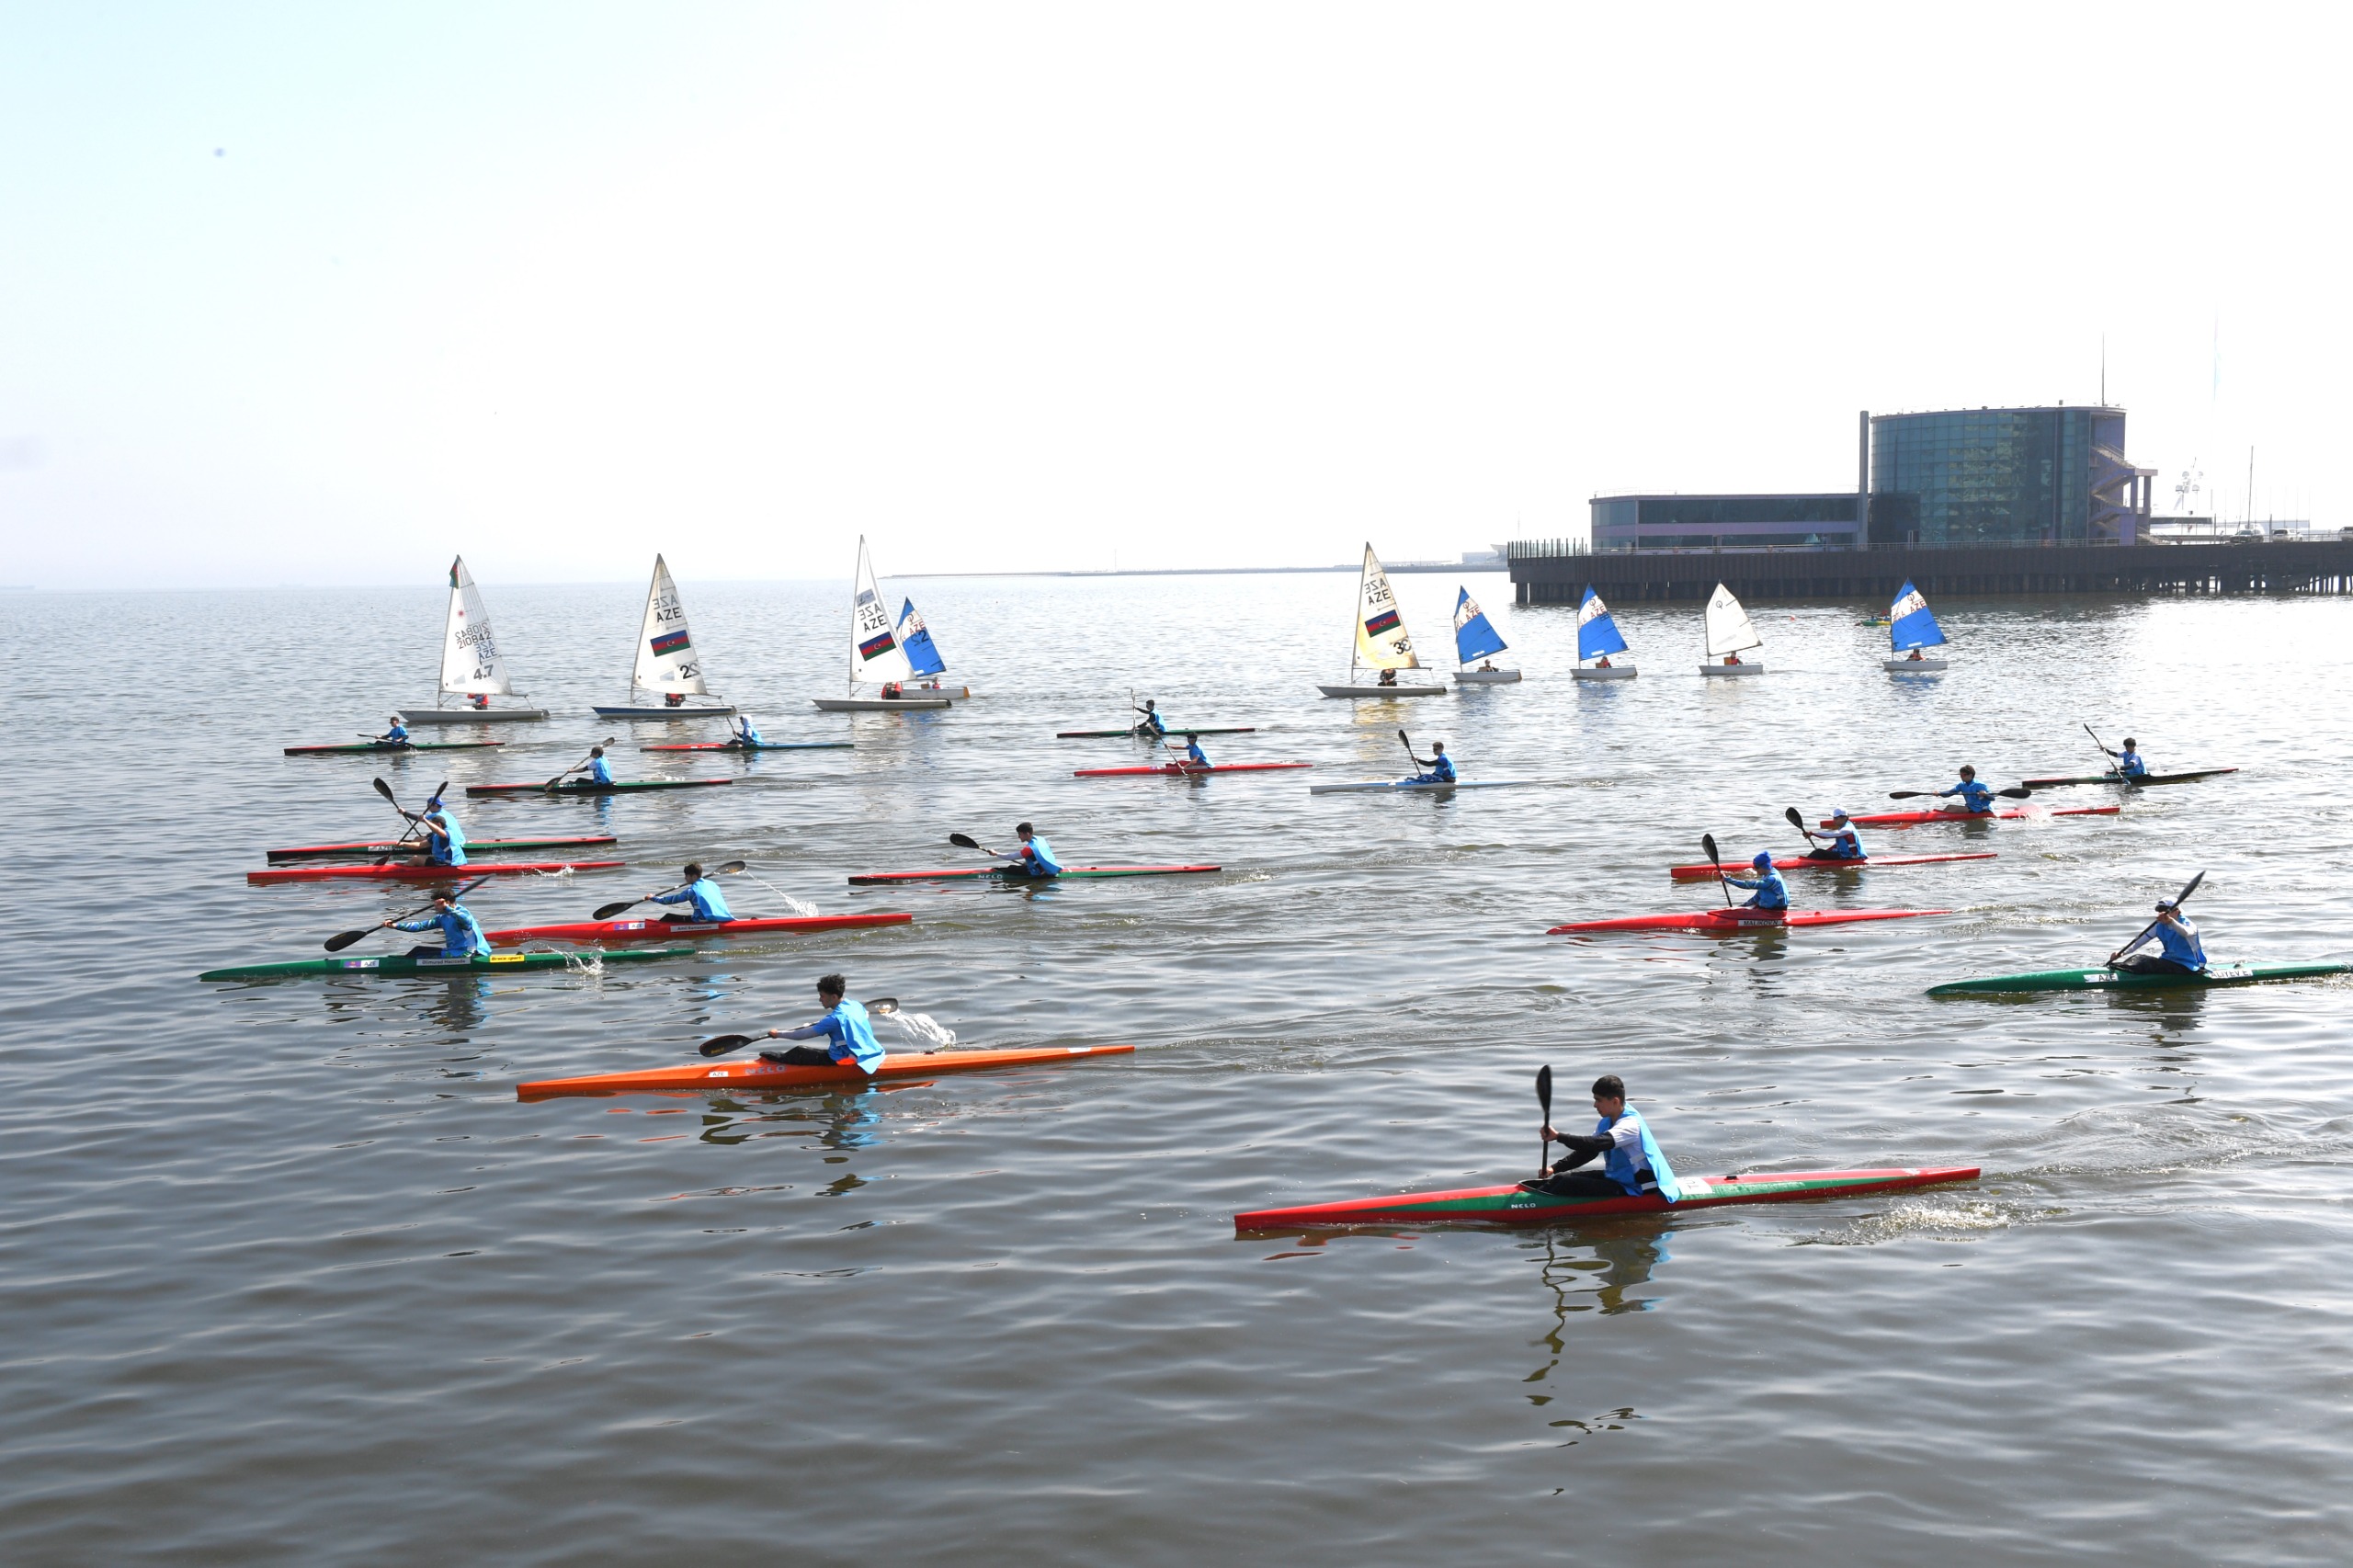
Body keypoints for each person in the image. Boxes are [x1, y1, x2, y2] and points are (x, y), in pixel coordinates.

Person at [1523, 1074, 1682, 1200]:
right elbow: (1588, 1152)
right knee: (1561, 1178)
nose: (1595, 1105)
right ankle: (1534, 1198)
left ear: (1614, 1101)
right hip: (1619, 1179)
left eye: (1598, 1100)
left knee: (1568, 1183)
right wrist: (1554, 1168)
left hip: (1639, 1187)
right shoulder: (1606, 1122)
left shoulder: (1630, 1124)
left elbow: (1596, 1144)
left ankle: (1535, 1206)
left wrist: (1558, 1136)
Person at [757, 973, 885, 1073]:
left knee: (799, 1052)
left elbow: (802, 1035)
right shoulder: (856, 1005)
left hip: (843, 1058)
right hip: (869, 1052)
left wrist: (778, 1034)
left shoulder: (833, 1020)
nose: (820, 999)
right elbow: (862, 1017)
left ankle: (771, 1066)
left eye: (822, 996)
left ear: (834, 997)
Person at [2110, 900, 2206, 976]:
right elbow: (2138, 942)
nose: (2161, 915)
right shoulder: (2159, 926)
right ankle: (2120, 970)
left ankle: (2123, 972)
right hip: (2170, 962)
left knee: (2143, 961)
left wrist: (2171, 921)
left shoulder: (2188, 925)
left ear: (2176, 912)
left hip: (2190, 967)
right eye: (2160, 912)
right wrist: (2121, 953)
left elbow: (2186, 933)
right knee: (2138, 958)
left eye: (2165, 912)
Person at [392, 892, 490, 959]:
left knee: (419, 953)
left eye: (437, 904)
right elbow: (420, 926)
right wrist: (395, 926)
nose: (435, 907)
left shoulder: (462, 913)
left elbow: (466, 921)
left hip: (468, 953)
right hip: (455, 951)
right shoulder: (442, 917)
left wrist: (446, 908)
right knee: (417, 951)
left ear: (446, 903)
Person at [650, 862, 733, 924]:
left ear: (693, 876)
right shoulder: (712, 884)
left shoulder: (691, 891)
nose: (685, 878)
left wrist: (653, 898)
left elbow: (669, 901)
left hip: (702, 920)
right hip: (721, 917)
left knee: (668, 917)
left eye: (686, 876)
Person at [1721, 851, 1790, 912]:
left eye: (1756, 867)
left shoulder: (1772, 879)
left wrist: (1728, 879)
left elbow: (1748, 885)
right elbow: (1758, 896)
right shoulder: (1767, 874)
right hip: (1769, 906)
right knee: (1746, 908)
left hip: (1777, 910)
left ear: (1764, 866)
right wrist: (1741, 907)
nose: (1755, 869)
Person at [404, 803, 467, 867]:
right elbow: (420, 845)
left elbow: (439, 831)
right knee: (419, 857)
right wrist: (402, 844)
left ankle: (404, 874)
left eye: (432, 825)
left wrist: (425, 821)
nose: (430, 827)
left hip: (451, 863)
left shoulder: (447, 834)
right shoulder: (435, 836)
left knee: (415, 859)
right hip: (445, 861)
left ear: (439, 825)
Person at [995, 822, 1063, 878]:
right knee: (1021, 866)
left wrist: (996, 854)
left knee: (1011, 868)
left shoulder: (1029, 849)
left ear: (1027, 834)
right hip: (1049, 867)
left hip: (1038, 872)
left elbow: (1010, 857)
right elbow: (1039, 855)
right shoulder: (1040, 839)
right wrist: (1028, 863)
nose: (1018, 837)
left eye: (1020, 834)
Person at [1800, 809, 1866, 861]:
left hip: (1852, 858)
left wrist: (1812, 833)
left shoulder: (1847, 829)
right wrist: (1827, 852)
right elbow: (1839, 845)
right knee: (1821, 852)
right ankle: (1808, 862)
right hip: (1845, 855)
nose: (1834, 820)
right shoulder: (1846, 824)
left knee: (1818, 853)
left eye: (1836, 818)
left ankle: (1805, 864)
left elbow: (1830, 835)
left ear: (1845, 818)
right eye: (1834, 818)